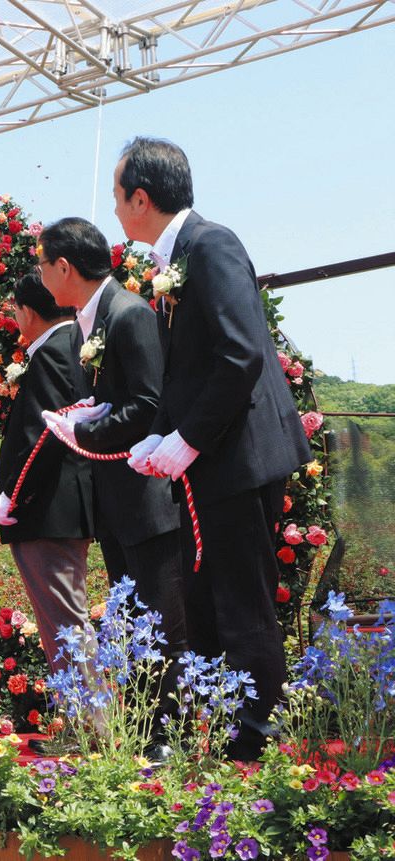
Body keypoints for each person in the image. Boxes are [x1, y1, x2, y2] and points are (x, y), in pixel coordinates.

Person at [113, 137, 311, 760]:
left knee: (239, 594)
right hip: (214, 461)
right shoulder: (176, 259)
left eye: (117, 197)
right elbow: (191, 370)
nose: (115, 210)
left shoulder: (211, 244)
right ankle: (226, 731)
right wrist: (160, 431)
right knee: (208, 596)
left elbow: (240, 353)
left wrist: (188, 438)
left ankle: (258, 743)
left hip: (238, 458)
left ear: (140, 198)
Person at [37, 217, 189, 760]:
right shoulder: (91, 320)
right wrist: (87, 412)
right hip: (118, 505)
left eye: (41, 263)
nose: (40, 274)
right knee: (134, 629)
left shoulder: (128, 314)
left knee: (163, 624)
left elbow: (149, 405)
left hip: (149, 501)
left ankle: (173, 741)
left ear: (64, 267)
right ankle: (148, 738)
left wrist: (84, 429)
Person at [0, 271, 95, 675]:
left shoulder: (54, 352)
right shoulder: (73, 344)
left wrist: (12, 495)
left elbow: (45, 434)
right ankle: (83, 726)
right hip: (55, 508)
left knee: (64, 624)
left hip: (47, 511)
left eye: (14, 308)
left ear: (27, 311)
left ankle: (92, 731)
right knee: (60, 623)